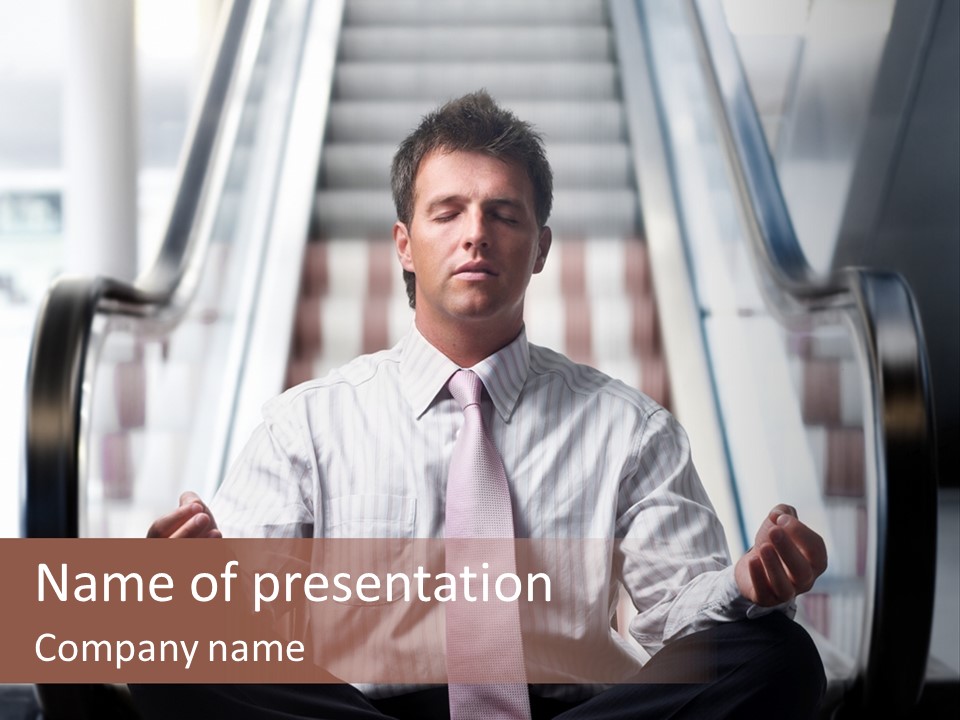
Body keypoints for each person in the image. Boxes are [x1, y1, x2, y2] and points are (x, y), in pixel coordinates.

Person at [135, 91, 827, 719]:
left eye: (503, 214)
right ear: (404, 246)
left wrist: (747, 585)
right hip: (363, 715)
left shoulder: (631, 430)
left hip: (568, 715)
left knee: (776, 657)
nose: (476, 234)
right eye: (448, 212)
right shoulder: (307, 424)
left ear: (540, 249)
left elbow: (675, 622)